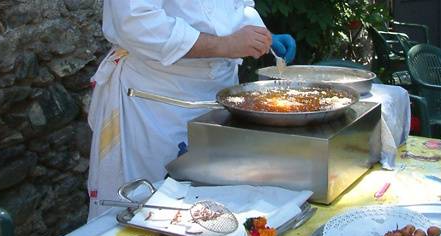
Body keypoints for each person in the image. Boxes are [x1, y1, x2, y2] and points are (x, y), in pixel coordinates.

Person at [87, 0, 296, 220]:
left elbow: (234, 7)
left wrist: (263, 35)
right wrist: (225, 45)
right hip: (157, 102)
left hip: (218, 94)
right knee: (150, 209)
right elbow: (136, 22)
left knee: (211, 210)